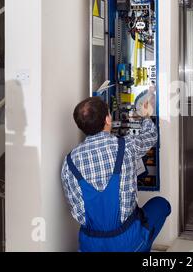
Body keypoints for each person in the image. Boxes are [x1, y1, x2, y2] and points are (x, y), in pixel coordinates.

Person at [61, 96, 171, 252]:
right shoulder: (126, 146)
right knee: (161, 205)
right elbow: (151, 135)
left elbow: (76, 208)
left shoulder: (69, 163)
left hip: (91, 245)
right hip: (127, 242)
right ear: (107, 119)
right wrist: (145, 116)